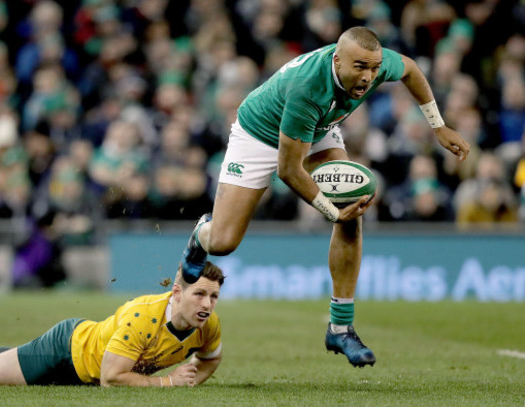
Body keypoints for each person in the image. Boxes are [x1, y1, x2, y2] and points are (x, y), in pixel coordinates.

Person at [180, 27, 470, 368]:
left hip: (315, 128)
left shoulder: (374, 62)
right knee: (224, 242)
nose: (368, 77)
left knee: (353, 207)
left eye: (374, 69)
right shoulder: (309, 88)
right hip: (259, 132)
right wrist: (330, 211)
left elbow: (410, 68)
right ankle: (201, 234)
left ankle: (341, 326)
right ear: (337, 59)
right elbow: (289, 170)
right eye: (360, 67)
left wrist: (438, 126)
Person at [0, 262, 224, 386]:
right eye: (200, 295)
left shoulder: (208, 325)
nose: (207, 305)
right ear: (177, 292)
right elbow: (111, 379)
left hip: (82, 370)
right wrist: (169, 384)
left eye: (213, 297)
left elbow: (210, 358)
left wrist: (191, 379)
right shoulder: (142, 317)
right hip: (65, 351)